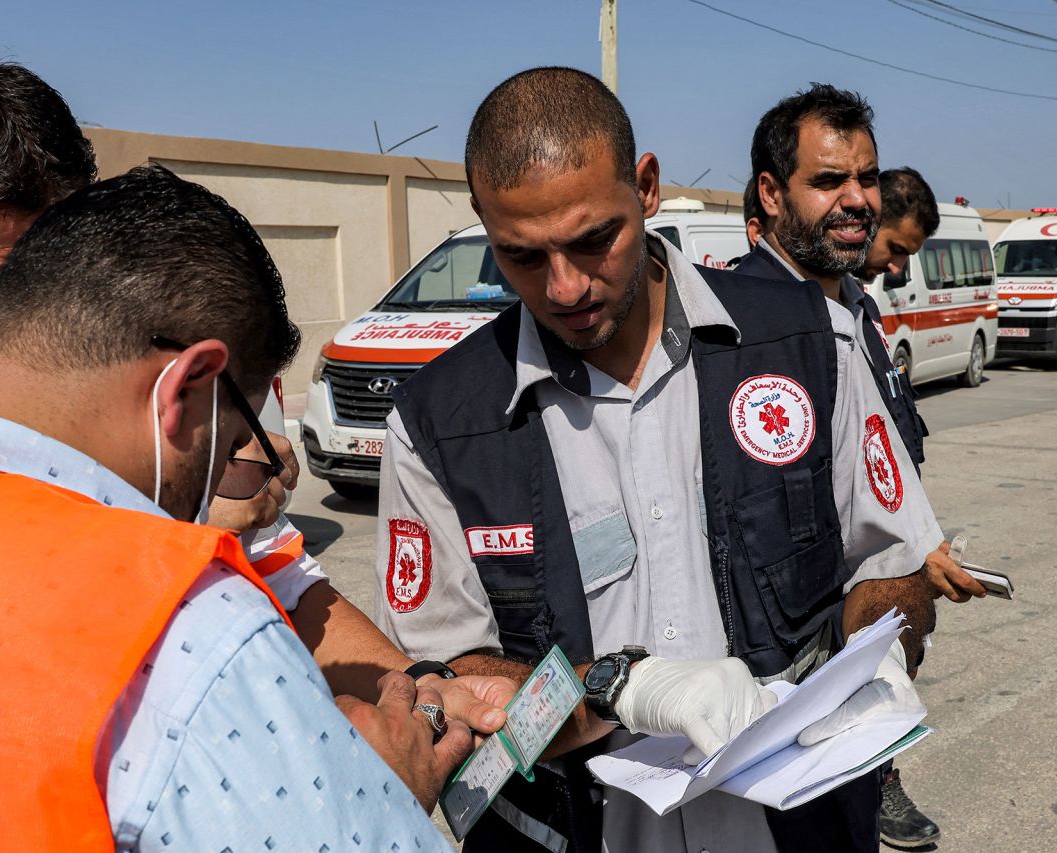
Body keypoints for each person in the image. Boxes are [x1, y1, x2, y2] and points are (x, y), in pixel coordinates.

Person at [0, 59, 513, 732]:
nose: (49, 317)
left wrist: (416, 683)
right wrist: (174, 537)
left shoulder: (141, 386)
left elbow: (290, 579)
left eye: (66, 274)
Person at [0, 164, 469, 850]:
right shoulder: (186, 623)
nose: (233, 479)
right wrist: (378, 799)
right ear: (187, 386)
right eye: (233, 443)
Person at [373, 67, 943, 853]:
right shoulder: (440, 425)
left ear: (646, 189)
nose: (566, 286)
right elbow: (448, 692)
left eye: (591, 239)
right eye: (523, 256)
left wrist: (883, 646)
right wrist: (614, 691)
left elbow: (898, 563)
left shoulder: (814, 343)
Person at [737, 87, 986, 849]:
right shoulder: (740, 333)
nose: (856, 201)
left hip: (860, 678)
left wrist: (916, 551)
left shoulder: (853, 310)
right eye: (828, 181)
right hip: (787, 703)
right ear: (773, 195)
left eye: (866, 179)